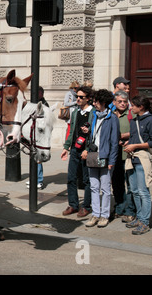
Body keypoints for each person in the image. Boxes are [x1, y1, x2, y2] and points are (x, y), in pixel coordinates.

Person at [82, 89, 119, 228]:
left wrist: (112, 161)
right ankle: (95, 214)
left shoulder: (112, 118)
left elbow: (114, 142)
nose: (94, 103)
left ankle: (104, 215)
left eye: (96, 101)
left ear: (103, 102)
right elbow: (94, 135)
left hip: (106, 157)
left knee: (105, 188)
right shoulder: (94, 116)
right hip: (93, 155)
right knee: (94, 187)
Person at [123, 95, 152, 235]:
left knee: (143, 192)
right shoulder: (134, 120)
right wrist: (128, 143)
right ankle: (139, 217)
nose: (130, 108)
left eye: (133, 106)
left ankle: (144, 222)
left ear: (141, 107)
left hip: (142, 159)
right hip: (131, 159)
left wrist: (135, 145)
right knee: (135, 191)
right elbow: (134, 136)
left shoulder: (150, 120)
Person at [60, 86, 94, 217]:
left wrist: (87, 149)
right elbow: (72, 132)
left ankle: (86, 206)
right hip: (74, 149)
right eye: (77, 97)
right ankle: (73, 204)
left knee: (87, 179)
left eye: (81, 97)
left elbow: (94, 133)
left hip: (87, 151)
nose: (78, 99)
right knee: (71, 178)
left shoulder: (93, 113)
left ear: (88, 99)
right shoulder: (75, 113)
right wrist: (66, 147)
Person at [111, 91, 136, 222]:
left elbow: (136, 130)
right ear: (114, 102)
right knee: (117, 184)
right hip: (115, 156)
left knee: (131, 185)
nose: (122, 104)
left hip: (128, 155)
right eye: (120, 101)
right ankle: (119, 208)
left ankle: (130, 210)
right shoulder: (111, 115)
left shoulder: (132, 114)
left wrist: (122, 136)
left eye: (125, 102)